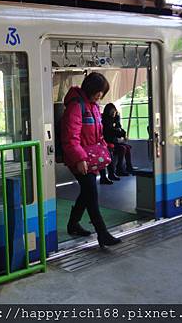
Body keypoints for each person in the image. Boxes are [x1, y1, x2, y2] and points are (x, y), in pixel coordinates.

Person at [60, 72, 122, 247]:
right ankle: (102, 232)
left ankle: (73, 224)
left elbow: (97, 133)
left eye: (102, 92)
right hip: (78, 158)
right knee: (91, 192)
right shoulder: (76, 106)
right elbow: (70, 137)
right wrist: (80, 159)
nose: (100, 95)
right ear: (90, 88)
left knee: (86, 192)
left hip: (91, 157)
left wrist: (104, 146)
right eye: (99, 91)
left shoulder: (93, 106)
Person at [101, 103, 134, 177]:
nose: (114, 113)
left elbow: (119, 128)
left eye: (114, 112)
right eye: (112, 112)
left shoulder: (114, 119)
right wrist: (121, 133)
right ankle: (119, 169)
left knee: (127, 147)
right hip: (108, 141)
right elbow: (112, 131)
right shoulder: (105, 120)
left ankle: (129, 167)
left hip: (114, 141)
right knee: (122, 148)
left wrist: (123, 132)